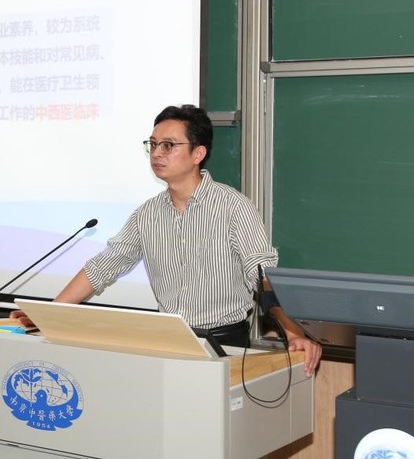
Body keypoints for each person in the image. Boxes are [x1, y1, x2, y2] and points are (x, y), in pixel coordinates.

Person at [17, 104, 322, 376]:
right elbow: (102, 267)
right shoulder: (147, 214)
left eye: (168, 145)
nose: (156, 153)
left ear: (198, 154)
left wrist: (294, 333)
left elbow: (262, 279)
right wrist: (51, 314)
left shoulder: (233, 207)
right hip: (168, 342)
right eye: (152, 145)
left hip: (225, 345)